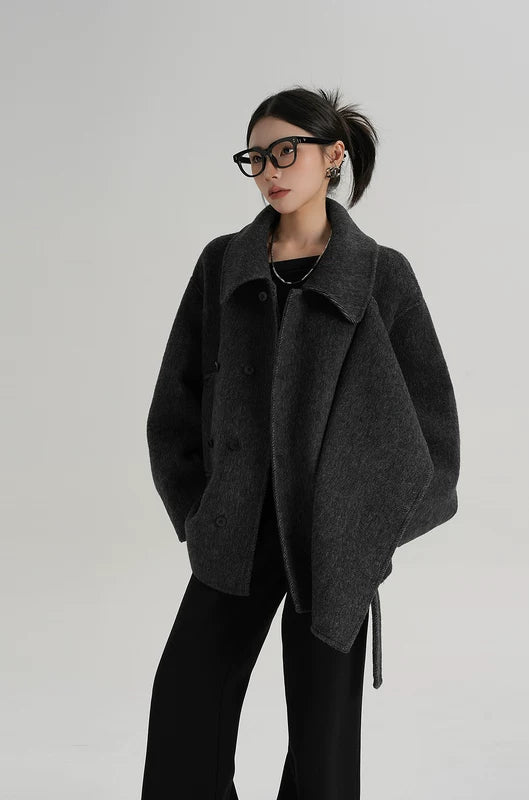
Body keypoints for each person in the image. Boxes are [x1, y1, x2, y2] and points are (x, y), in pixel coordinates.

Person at [140, 85, 460, 800]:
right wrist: (199, 512)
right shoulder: (223, 263)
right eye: (256, 157)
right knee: (186, 710)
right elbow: (175, 401)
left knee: (323, 749)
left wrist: (369, 533)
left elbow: (436, 436)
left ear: (333, 155)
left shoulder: (381, 274)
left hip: (334, 545)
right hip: (235, 530)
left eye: (286, 151)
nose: (270, 170)